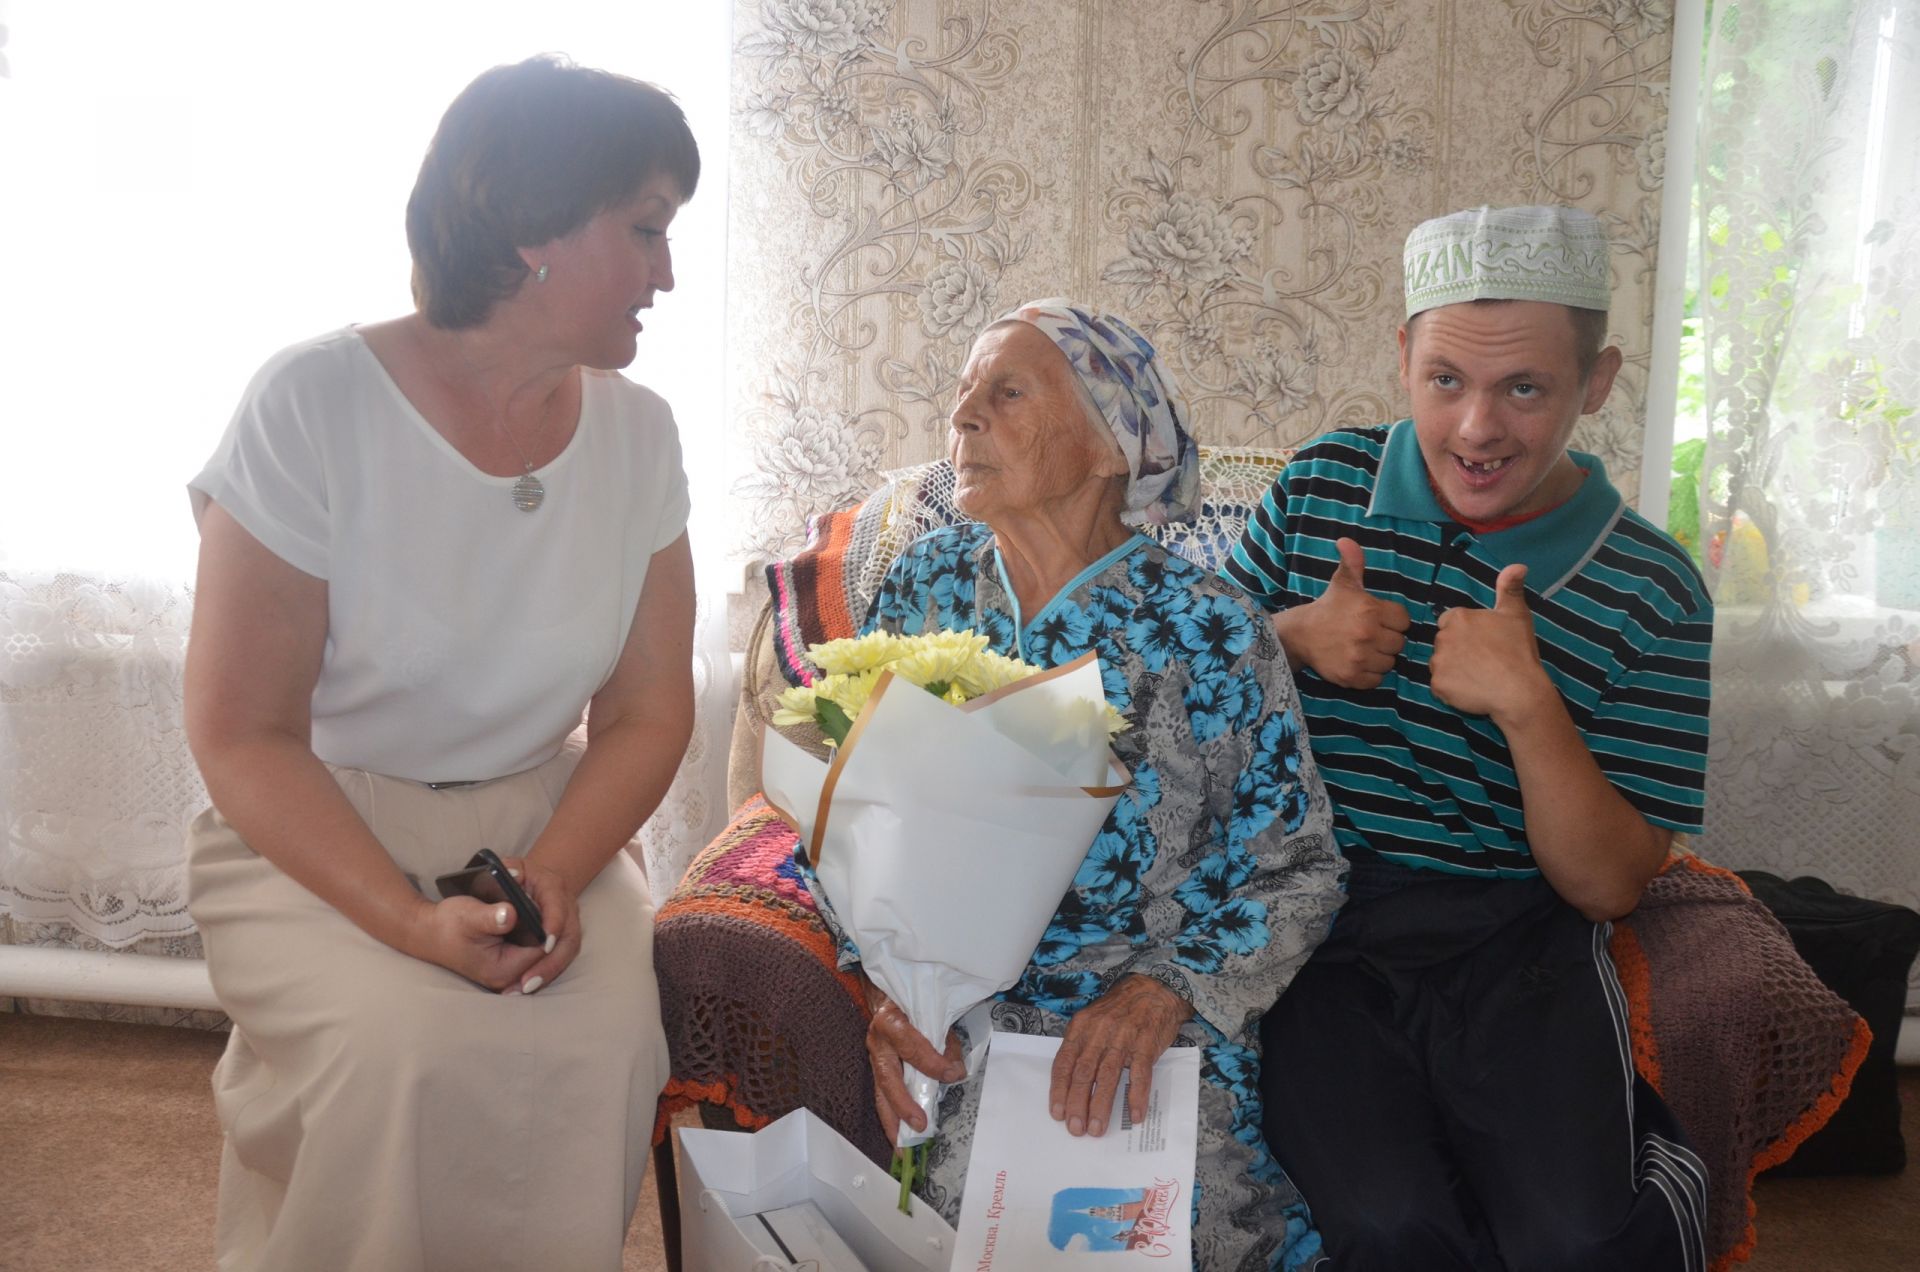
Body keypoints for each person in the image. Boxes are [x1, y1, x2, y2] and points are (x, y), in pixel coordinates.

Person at [181, 56, 698, 1270]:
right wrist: (411, 926)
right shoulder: (311, 405)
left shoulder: (641, 434)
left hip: (541, 820)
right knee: (404, 1044)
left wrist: (556, 874)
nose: (668, 273)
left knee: (612, 1036)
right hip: (315, 829)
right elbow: (241, 733)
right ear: (532, 231)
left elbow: (644, 714)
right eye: (646, 230)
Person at [804, 300, 1347, 1271]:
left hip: (1156, 1013)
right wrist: (882, 991)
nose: (963, 419)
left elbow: (1297, 867)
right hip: (961, 1013)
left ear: (1110, 443)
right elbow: (843, 820)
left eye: (1005, 394)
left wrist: (1167, 989)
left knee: (1186, 1226)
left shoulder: (1212, 627)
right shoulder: (926, 587)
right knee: (972, 1224)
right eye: (964, 396)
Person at [1225, 205, 1714, 1270]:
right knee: (1387, 1226)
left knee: (1578, 1242)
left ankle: (1655, 1165)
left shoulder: (1653, 588)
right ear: (1403, 358)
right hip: (1319, 927)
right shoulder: (1318, 489)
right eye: (1447, 379)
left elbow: (1611, 886)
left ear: (1598, 383)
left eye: (1525, 388)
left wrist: (1531, 707)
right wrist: (1287, 639)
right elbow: (1171, 699)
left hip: (1518, 937)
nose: (1478, 429)